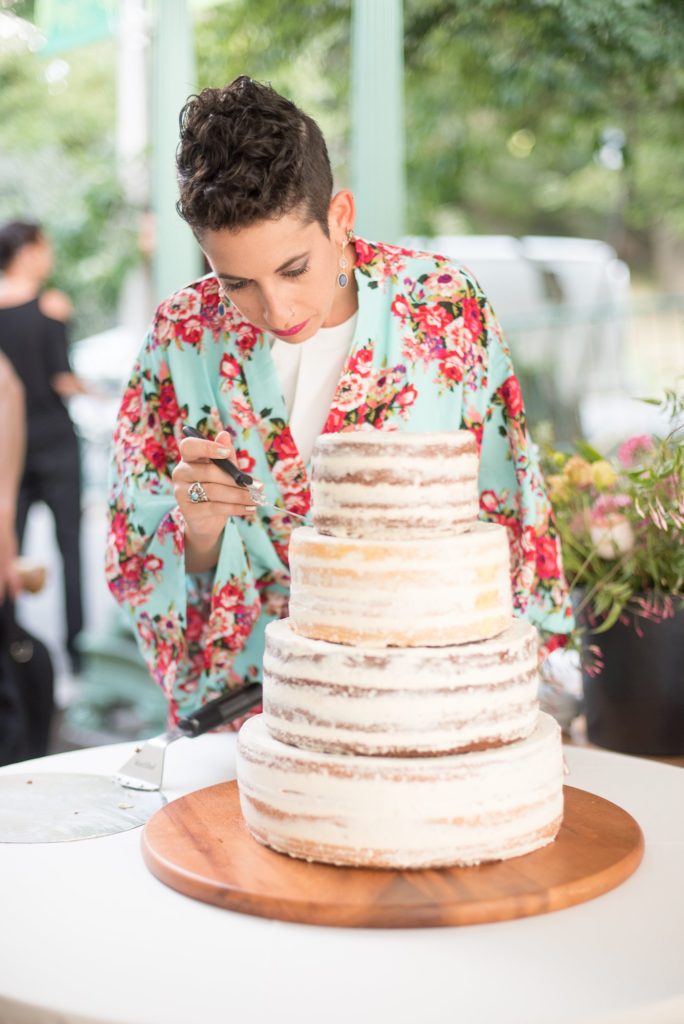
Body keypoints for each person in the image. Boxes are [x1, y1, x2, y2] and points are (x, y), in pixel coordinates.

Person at [106, 76, 573, 723]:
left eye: (294, 269)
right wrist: (202, 528)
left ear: (340, 217)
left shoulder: (442, 307)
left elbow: (510, 513)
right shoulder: (182, 335)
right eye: (236, 283)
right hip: (256, 711)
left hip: (428, 701)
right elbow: (139, 558)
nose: (276, 310)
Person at [0, 220, 85, 676]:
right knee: (70, 548)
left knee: (6, 548)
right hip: (55, 443)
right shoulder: (50, 306)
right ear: (28, 251)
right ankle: (76, 651)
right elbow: (61, 379)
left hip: (8, 450)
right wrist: (99, 392)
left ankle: (9, 643)